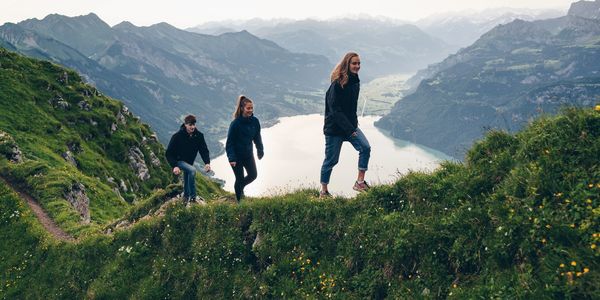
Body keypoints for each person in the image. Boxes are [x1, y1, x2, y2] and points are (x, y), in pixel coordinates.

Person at [319, 52, 371, 198]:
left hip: (350, 126)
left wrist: (353, 124)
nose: (357, 66)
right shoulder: (337, 84)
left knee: (365, 147)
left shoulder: (355, 81)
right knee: (331, 160)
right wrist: (349, 129)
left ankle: (360, 182)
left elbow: (351, 107)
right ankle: (323, 191)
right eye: (354, 63)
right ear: (347, 64)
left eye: (359, 63)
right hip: (334, 129)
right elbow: (335, 111)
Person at [165, 114, 211, 206]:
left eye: (194, 124)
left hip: (189, 162)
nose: (193, 127)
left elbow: (204, 150)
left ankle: (186, 197)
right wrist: (175, 165)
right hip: (179, 161)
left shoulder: (199, 136)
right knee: (192, 170)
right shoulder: (177, 136)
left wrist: (207, 163)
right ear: (185, 124)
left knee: (187, 176)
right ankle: (193, 198)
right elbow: (168, 153)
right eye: (190, 125)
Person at [226, 95, 264, 202]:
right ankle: (240, 202)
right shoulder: (235, 124)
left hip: (248, 154)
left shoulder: (255, 121)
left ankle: (239, 188)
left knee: (253, 175)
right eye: (248, 108)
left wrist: (260, 150)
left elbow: (257, 137)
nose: (250, 110)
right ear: (242, 108)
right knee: (239, 178)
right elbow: (229, 143)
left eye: (252, 108)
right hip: (236, 157)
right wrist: (232, 158)